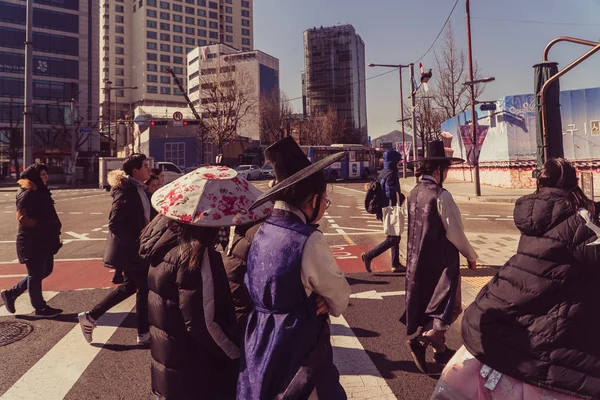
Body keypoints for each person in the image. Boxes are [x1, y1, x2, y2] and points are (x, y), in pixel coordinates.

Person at [432, 158, 600, 400]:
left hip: (512, 334)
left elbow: (529, 275)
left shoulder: (537, 220)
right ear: (575, 185)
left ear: (540, 185)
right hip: (562, 345)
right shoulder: (583, 220)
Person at [139, 166, 272, 400]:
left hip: (170, 366)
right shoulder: (197, 257)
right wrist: (237, 354)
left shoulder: (161, 242)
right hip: (196, 374)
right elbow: (205, 323)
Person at [237, 137, 351, 400]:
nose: (325, 205)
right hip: (298, 342)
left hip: (261, 338)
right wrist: (326, 299)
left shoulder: (261, 231)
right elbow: (339, 295)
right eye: (325, 200)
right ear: (312, 200)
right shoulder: (307, 239)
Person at [402, 141, 478, 374]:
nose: (446, 174)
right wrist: (470, 255)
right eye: (445, 170)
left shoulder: (414, 193)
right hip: (441, 260)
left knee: (427, 302)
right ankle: (424, 340)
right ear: (438, 171)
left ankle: (440, 349)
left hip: (417, 260)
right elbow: (454, 230)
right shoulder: (441, 195)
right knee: (448, 305)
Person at [78, 154, 152, 344]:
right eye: (145, 166)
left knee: (130, 287)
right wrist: (136, 244)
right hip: (132, 252)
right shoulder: (126, 191)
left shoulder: (139, 189)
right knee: (143, 287)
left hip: (137, 250)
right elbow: (115, 223)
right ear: (135, 170)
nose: (148, 169)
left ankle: (91, 317)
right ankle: (143, 333)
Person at [1, 164, 63, 318]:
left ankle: (12, 293)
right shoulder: (27, 194)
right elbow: (22, 218)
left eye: (46, 174)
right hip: (31, 241)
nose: (46, 177)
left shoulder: (41, 192)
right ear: (34, 177)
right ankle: (40, 307)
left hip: (43, 240)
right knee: (35, 274)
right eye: (42, 175)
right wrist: (45, 224)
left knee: (45, 271)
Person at [361, 149, 405, 273]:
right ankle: (369, 255)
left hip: (384, 209)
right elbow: (391, 193)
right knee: (393, 238)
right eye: (398, 162)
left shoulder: (384, 172)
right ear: (393, 161)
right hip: (391, 209)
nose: (399, 164)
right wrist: (401, 198)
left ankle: (395, 264)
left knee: (395, 236)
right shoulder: (391, 174)